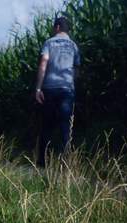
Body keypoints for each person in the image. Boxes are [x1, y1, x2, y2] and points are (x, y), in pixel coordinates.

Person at [35, 16, 80, 166]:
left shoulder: (49, 43)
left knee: (46, 125)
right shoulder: (73, 46)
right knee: (65, 126)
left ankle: (42, 162)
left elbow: (43, 64)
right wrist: (71, 85)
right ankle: (65, 163)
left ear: (58, 27)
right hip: (67, 89)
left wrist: (38, 88)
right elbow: (76, 69)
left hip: (49, 88)